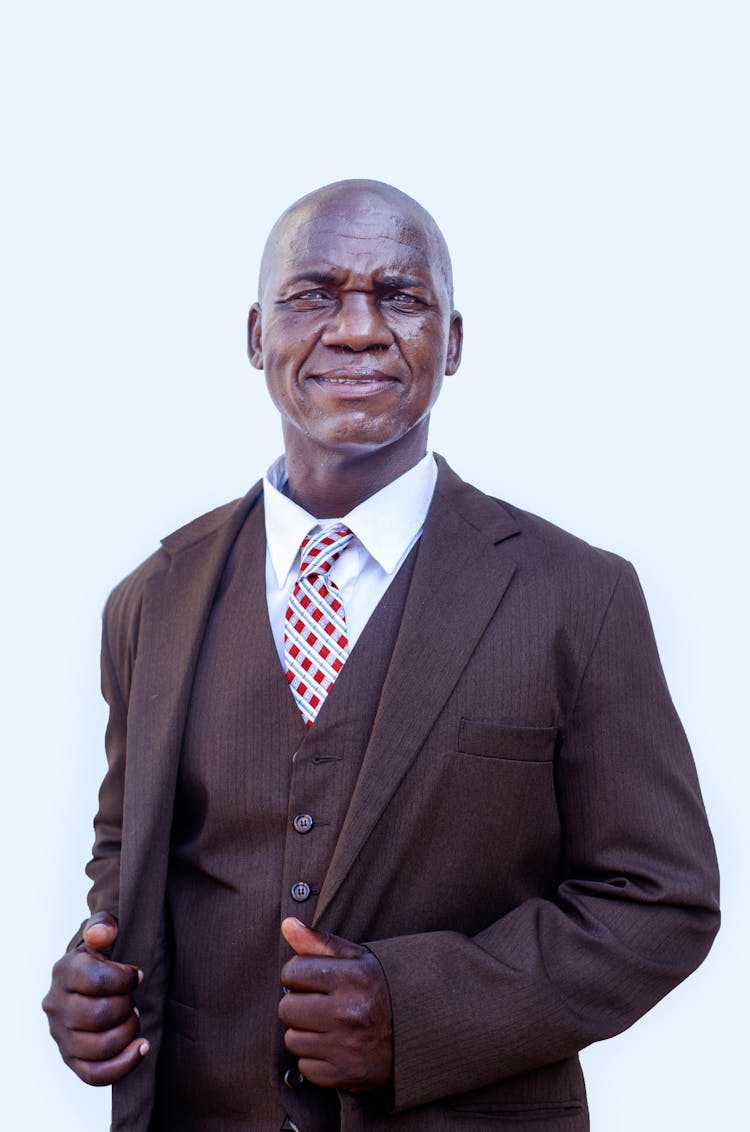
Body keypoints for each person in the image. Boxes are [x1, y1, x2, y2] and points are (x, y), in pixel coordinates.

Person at [43, 179, 719, 1131]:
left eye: (400, 296)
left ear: (452, 341)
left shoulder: (578, 596)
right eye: (313, 294)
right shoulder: (153, 599)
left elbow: (661, 901)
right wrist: (96, 979)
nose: (358, 329)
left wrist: (423, 1011)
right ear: (254, 336)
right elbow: (128, 857)